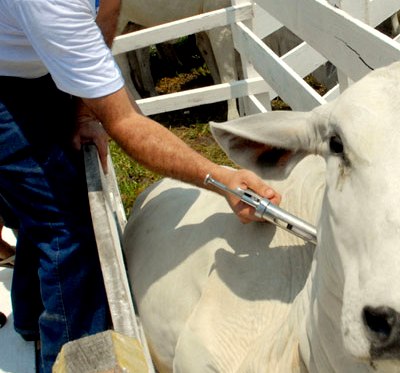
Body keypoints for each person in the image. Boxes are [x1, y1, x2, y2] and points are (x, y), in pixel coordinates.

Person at [0, 0, 281, 370]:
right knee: (66, 225)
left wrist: (85, 107)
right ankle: (76, 357)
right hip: (10, 82)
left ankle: (29, 319)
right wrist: (223, 179)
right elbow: (126, 123)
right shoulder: (53, 5)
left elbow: (108, 6)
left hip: (28, 60)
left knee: (42, 205)